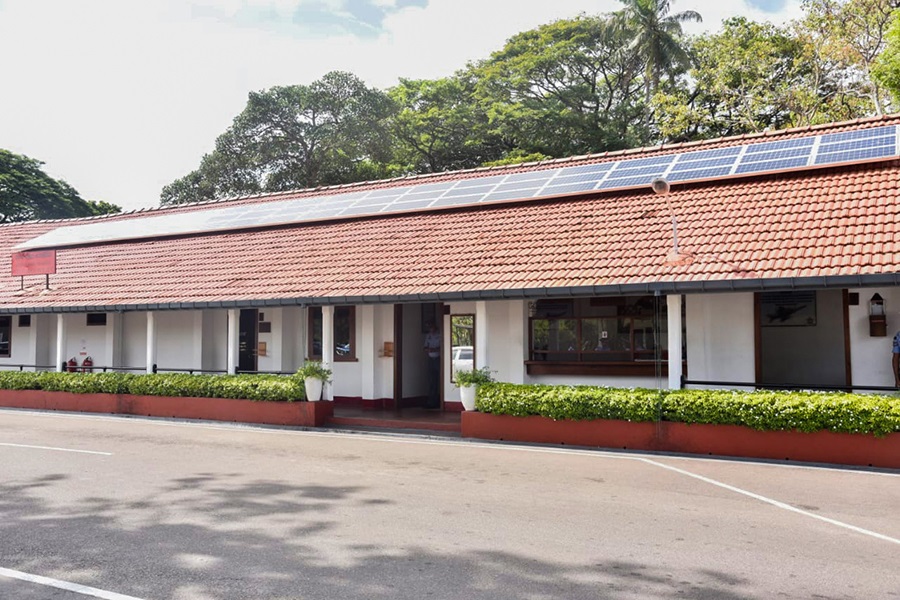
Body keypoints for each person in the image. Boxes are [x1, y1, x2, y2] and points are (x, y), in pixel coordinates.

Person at [423, 322, 441, 409]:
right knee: (431, 380)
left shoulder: (440, 335)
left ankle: (438, 400)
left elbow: (443, 346)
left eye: (431, 326)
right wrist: (428, 349)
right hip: (430, 359)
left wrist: (435, 349)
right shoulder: (428, 336)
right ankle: (431, 401)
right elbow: (425, 347)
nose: (430, 328)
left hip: (438, 358)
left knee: (439, 380)